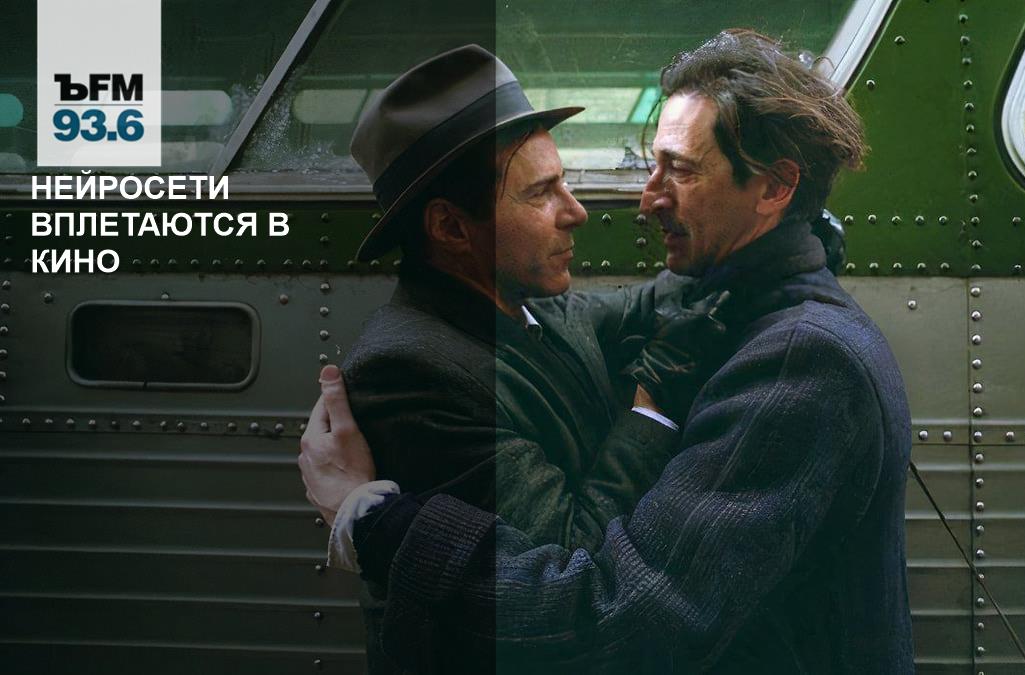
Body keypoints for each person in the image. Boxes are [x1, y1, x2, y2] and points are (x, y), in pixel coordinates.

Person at [301, 30, 914, 673]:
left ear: (775, 189)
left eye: (681, 169)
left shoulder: (799, 358)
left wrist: (367, 521)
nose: (587, 211)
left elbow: (622, 616)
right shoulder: (412, 369)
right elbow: (582, 591)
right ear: (452, 227)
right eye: (540, 192)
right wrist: (653, 407)